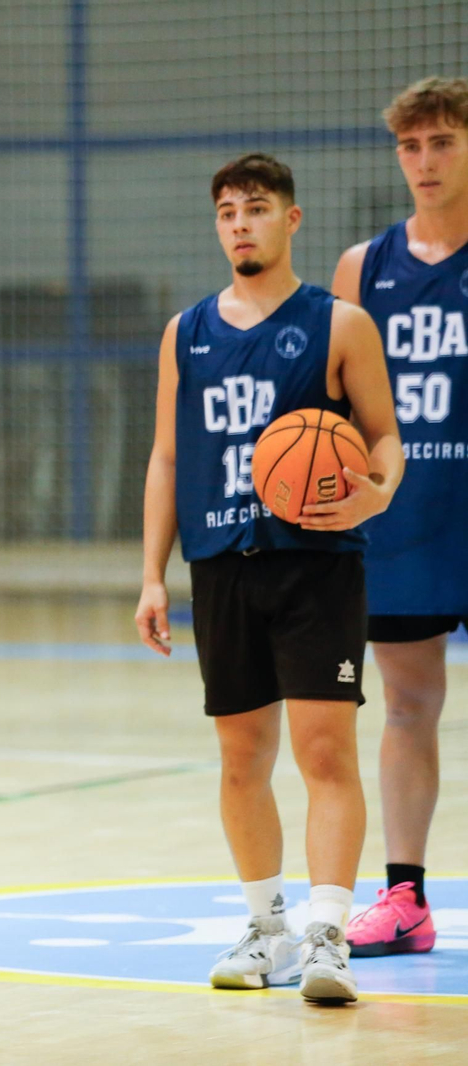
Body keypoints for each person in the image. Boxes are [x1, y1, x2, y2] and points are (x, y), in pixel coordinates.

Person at [135, 153, 402, 1003]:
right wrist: (151, 575)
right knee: (240, 758)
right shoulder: (186, 332)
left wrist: (377, 493)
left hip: (316, 564)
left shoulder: (340, 324)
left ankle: (328, 935)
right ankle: (269, 929)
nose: (239, 224)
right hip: (221, 564)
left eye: (255, 208)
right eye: (226, 212)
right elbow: (167, 456)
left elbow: (384, 438)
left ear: (291, 219)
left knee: (326, 753)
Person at [330, 76, 468, 958]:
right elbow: (336, 402)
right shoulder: (362, 267)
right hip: (403, 522)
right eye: (410, 146)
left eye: (443, 141)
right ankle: (406, 898)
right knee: (408, 704)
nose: (424, 161)